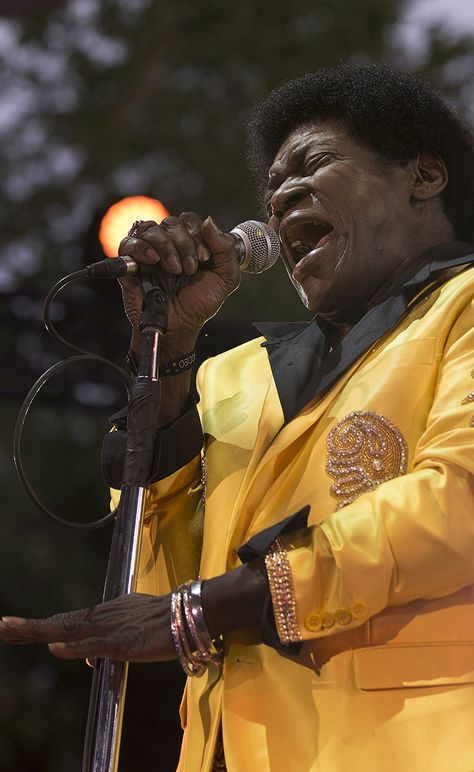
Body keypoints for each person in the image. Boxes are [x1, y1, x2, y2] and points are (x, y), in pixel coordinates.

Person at [2, 63, 474, 771]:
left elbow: (455, 506)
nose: (282, 197)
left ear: (424, 177)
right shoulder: (231, 376)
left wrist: (206, 607)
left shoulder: (460, 309)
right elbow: (158, 584)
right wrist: (165, 354)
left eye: (312, 164)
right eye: (272, 188)